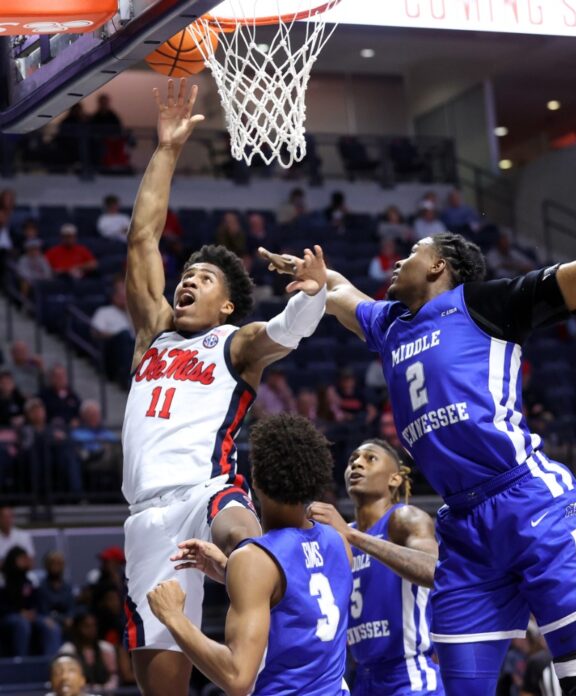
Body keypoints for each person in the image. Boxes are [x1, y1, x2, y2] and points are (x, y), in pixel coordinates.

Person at [262, 120, 576, 695]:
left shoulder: (487, 304)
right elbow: (341, 295)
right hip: (463, 527)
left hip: (529, 502)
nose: (397, 260)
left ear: (440, 266)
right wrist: (317, 277)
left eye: (413, 252)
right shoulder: (389, 323)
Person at [121, 79, 329, 696]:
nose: (187, 283)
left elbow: (285, 333)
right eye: (185, 276)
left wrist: (313, 298)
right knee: (161, 687)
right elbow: (141, 240)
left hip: (206, 491)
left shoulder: (234, 343)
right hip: (144, 522)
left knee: (246, 541)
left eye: (203, 278)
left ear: (227, 303)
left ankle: (296, 652)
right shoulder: (153, 336)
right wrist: (166, 148)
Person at [147, 414, 353, 695]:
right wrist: (230, 571)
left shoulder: (255, 559)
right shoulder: (338, 542)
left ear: (254, 478)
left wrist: (173, 617)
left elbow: (237, 678)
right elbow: (302, 606)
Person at [308, 439, 444, 694]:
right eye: (352, 460)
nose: (357, 463)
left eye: (370, 459)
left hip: (409, 674)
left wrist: (353, 538)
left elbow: (434, 570)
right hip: (363, 677)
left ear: (394, 479)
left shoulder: (403, 518)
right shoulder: (341, 535)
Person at [59, 610, 119, 690]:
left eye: (94, 626)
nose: (91, 629)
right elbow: (66, 679)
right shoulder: (68, 651)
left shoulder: (106, 649)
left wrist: (105, 689)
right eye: (86, 626)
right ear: (77, 628)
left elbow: (113, 676)